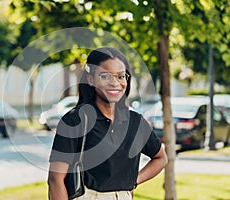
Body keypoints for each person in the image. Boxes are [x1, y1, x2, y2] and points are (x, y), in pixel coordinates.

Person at [48, 47, 168, 200]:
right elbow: (55, 179)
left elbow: (160, 158)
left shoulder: (136, 122)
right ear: (91, 80)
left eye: (121, 76)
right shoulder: (75, 120)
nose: (115, 82)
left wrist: (133, 182)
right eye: (105, 76)